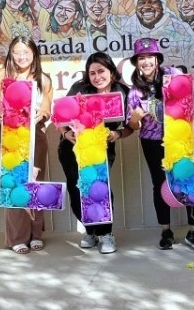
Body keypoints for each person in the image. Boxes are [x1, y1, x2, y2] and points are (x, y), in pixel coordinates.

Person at [126, 37, 194, 250]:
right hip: (152, 142)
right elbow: (133, 125)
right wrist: (135, 118)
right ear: (136, 62)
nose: (146, 62)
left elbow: (193, 98)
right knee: (160, 184)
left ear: (158, 59)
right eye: (141, 58)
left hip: (181, 137)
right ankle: (166, 230)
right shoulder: (135, 90)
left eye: (150, 57)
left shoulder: (175, 76)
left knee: (191, 180)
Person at [57, 52, 132, 254]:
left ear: (112, 72)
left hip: (102, 150)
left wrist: (117, 133)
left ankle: (107, 234)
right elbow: (60, 118)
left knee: (100, 189)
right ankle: (89, 231)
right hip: (73, 150)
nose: (97, 77)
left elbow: (131, 127)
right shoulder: (79, 89)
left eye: (101, 71)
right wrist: (66, 133)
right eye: (92, 73)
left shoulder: (123, 92)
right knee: (78, 189)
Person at [0, 36, 54, 254]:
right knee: (13, 183)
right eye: (17, 52)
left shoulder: (44, 79)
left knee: (34, 181)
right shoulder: (0, 76)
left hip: (36, 136)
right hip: (9, 137)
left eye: (26, 52)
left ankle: (36, 233)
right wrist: (0, 116)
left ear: (34, 54)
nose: (21, 56)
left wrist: (40, 113)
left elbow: (47, 109)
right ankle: (16, 237)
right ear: (10, 53)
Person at [122, 0, 194, 69]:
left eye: (153, 2)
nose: (146, 6)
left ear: (163, 6)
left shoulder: (181, 29)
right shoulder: (129, 29)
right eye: (141, 2)